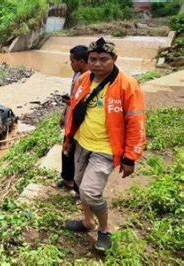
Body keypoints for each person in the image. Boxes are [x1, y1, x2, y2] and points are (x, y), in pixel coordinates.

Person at [62, 37, 146, 251]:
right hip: (82, 143)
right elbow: (75, 111)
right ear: (88, 60)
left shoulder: (127, 85)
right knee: (81, 186)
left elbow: (136, 122)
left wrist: (130, 158)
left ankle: (105, 229)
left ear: (114, 59)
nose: (97, 64)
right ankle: (87, 221)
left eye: (103, 59)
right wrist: (68, 139)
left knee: (91, 191)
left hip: (107, 148)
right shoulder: (84, 80)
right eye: (93, 59)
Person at [58, 45, 90, 194]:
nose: (70, 64)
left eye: (72, 61)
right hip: (71, 119)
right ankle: (67, 180)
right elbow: (73, 97)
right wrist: (64, 113)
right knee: (66, 150)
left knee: (77, 155)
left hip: (81, 122)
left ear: (82, 61)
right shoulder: (77, 75)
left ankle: (77, 189)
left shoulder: (91, 79)